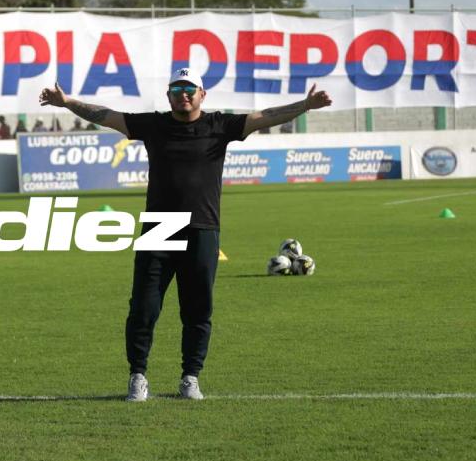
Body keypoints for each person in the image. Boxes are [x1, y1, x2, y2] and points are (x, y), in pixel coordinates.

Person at [39, 67, 331, 402]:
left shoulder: (220, 125)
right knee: (144, 307)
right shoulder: (153, 124)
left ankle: (190, 377)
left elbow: (264, 116)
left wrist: (305, 106)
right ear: (169, 96)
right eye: (177, 90)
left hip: (203, 229)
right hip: (159, 229)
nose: (184, 95)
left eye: (190, 89)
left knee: (198, 309)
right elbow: (106, 115)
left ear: (202, 94)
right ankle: (138, 375)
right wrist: (67, 102)